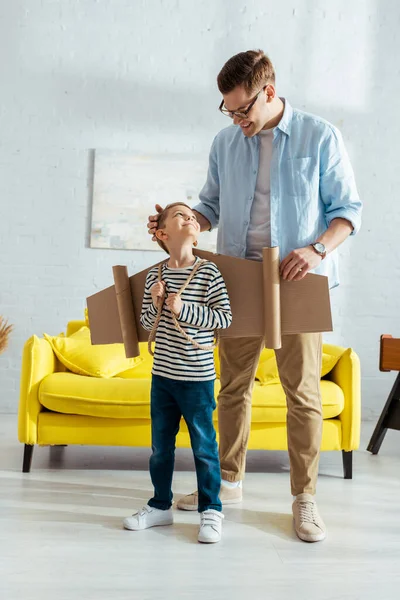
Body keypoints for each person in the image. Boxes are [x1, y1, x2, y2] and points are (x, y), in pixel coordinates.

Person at [147, 50, 362, 543]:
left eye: (244, 110)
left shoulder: (320, 136)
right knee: (230, 389)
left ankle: (304, 499)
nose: (238, 120)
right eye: (229, 111)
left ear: (269, 92)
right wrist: (177, 223)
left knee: (303, 395)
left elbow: (347, 211)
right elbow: (210, 208)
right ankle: (228, 482)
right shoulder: (226, 142)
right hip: (236, 281)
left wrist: (316, 250)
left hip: (297, 279)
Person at [124, 202, 232, 543]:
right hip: (163, 378)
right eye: (179, 215)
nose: (189, 218)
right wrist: (156, 304)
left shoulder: (208, 272)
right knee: (160, 447)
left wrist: (184, 308)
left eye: (191, 216)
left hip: (197, 379)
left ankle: (211, 510)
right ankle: (159, 506)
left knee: (204, 447)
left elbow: (223, 319)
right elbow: (144, 326)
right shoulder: (155, 277)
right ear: (162, 233)